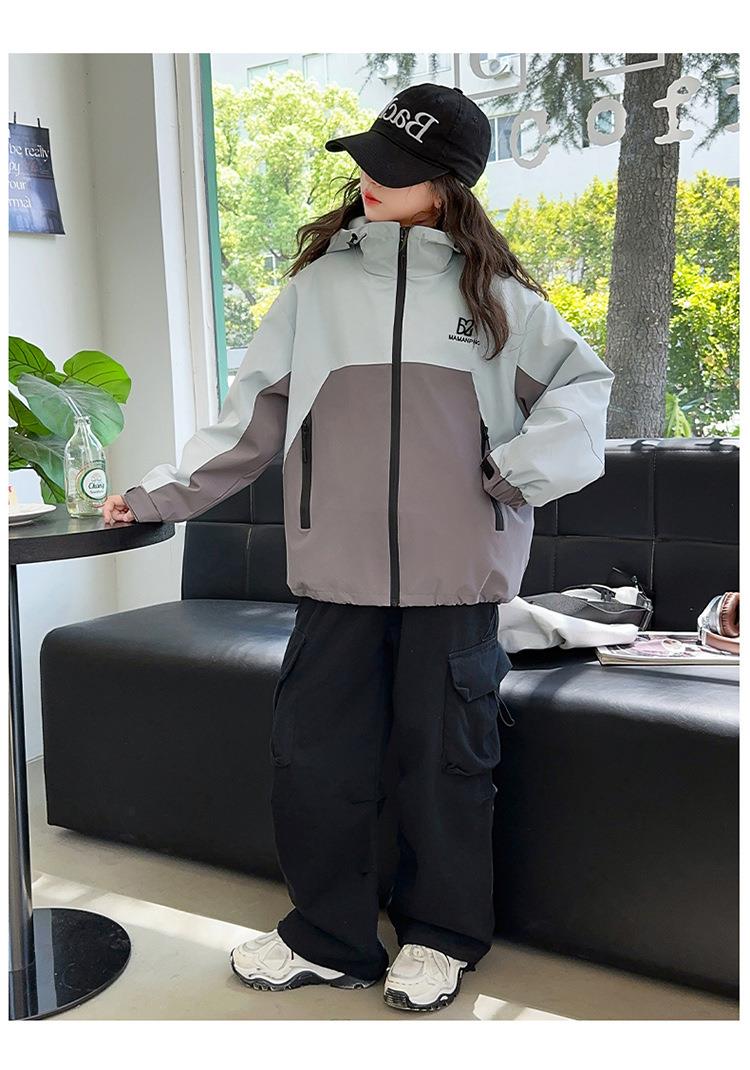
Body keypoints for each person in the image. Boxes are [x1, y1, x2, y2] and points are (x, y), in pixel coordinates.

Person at [102, 82, 615, 1013]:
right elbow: (249, 419)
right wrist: (157, 497)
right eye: (370, 158)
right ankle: (328, 935)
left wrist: (515, 469)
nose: (372, 178)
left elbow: (585, 391)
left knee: (448, 766)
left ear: (447, 185)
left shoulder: (499, 299)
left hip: (457, 580)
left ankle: (441, 936)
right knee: (314, 759)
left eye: (398, 168)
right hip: (335, 576)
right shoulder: (317, 291)